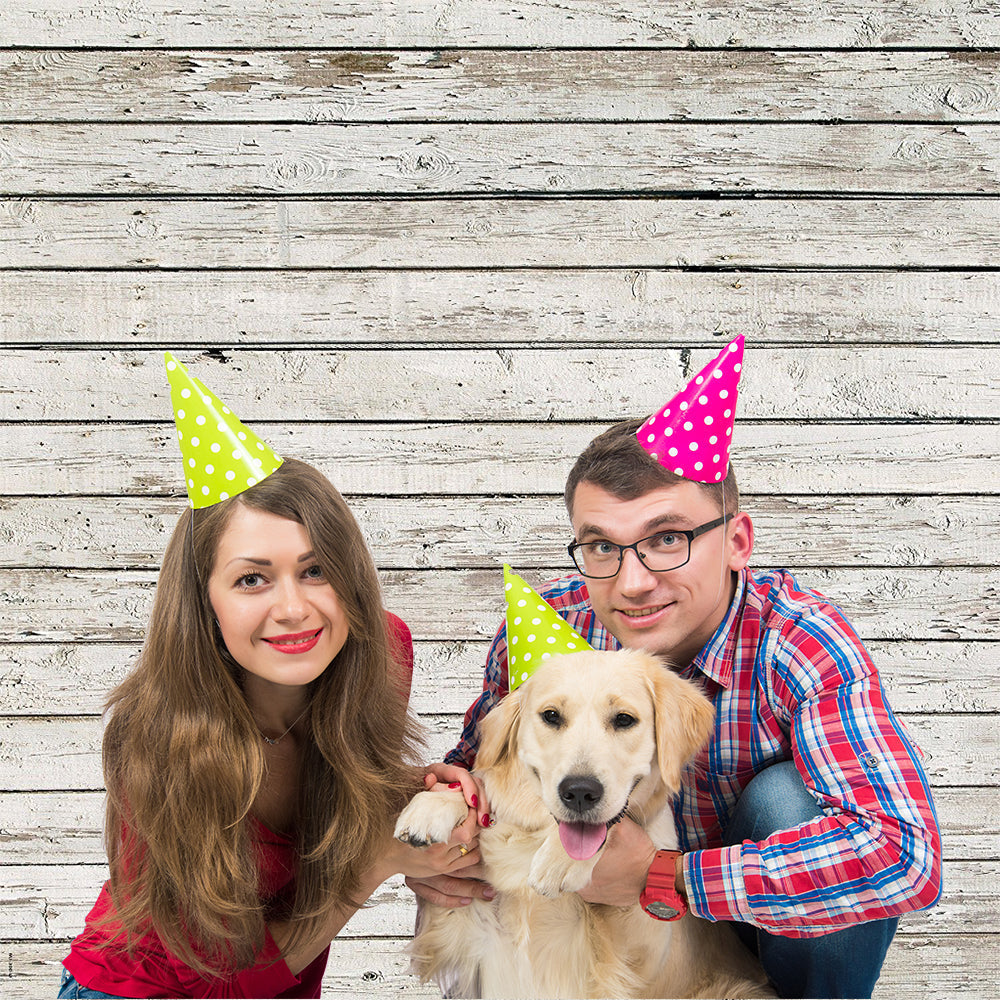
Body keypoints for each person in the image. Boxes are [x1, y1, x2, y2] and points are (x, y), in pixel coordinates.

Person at [408, 337, 942, 999]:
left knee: (790, 802)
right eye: (602, 545)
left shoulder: (799, 642)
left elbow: (903, 855)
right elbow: (477, 764)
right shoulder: (550, 626)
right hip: (592, 936)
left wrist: (666, 876)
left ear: (737, 542)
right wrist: (439, 848)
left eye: (667, 539)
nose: (632, 582)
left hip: (756, 933)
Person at [59, 357, 479, 999]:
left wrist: (417, 790)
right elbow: (228, 983)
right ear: (205, 603)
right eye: (252, 578)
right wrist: (377, 867)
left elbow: (346, 778)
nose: (292, 608)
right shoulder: (156, 738)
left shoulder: (379, 652)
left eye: (316, 571)